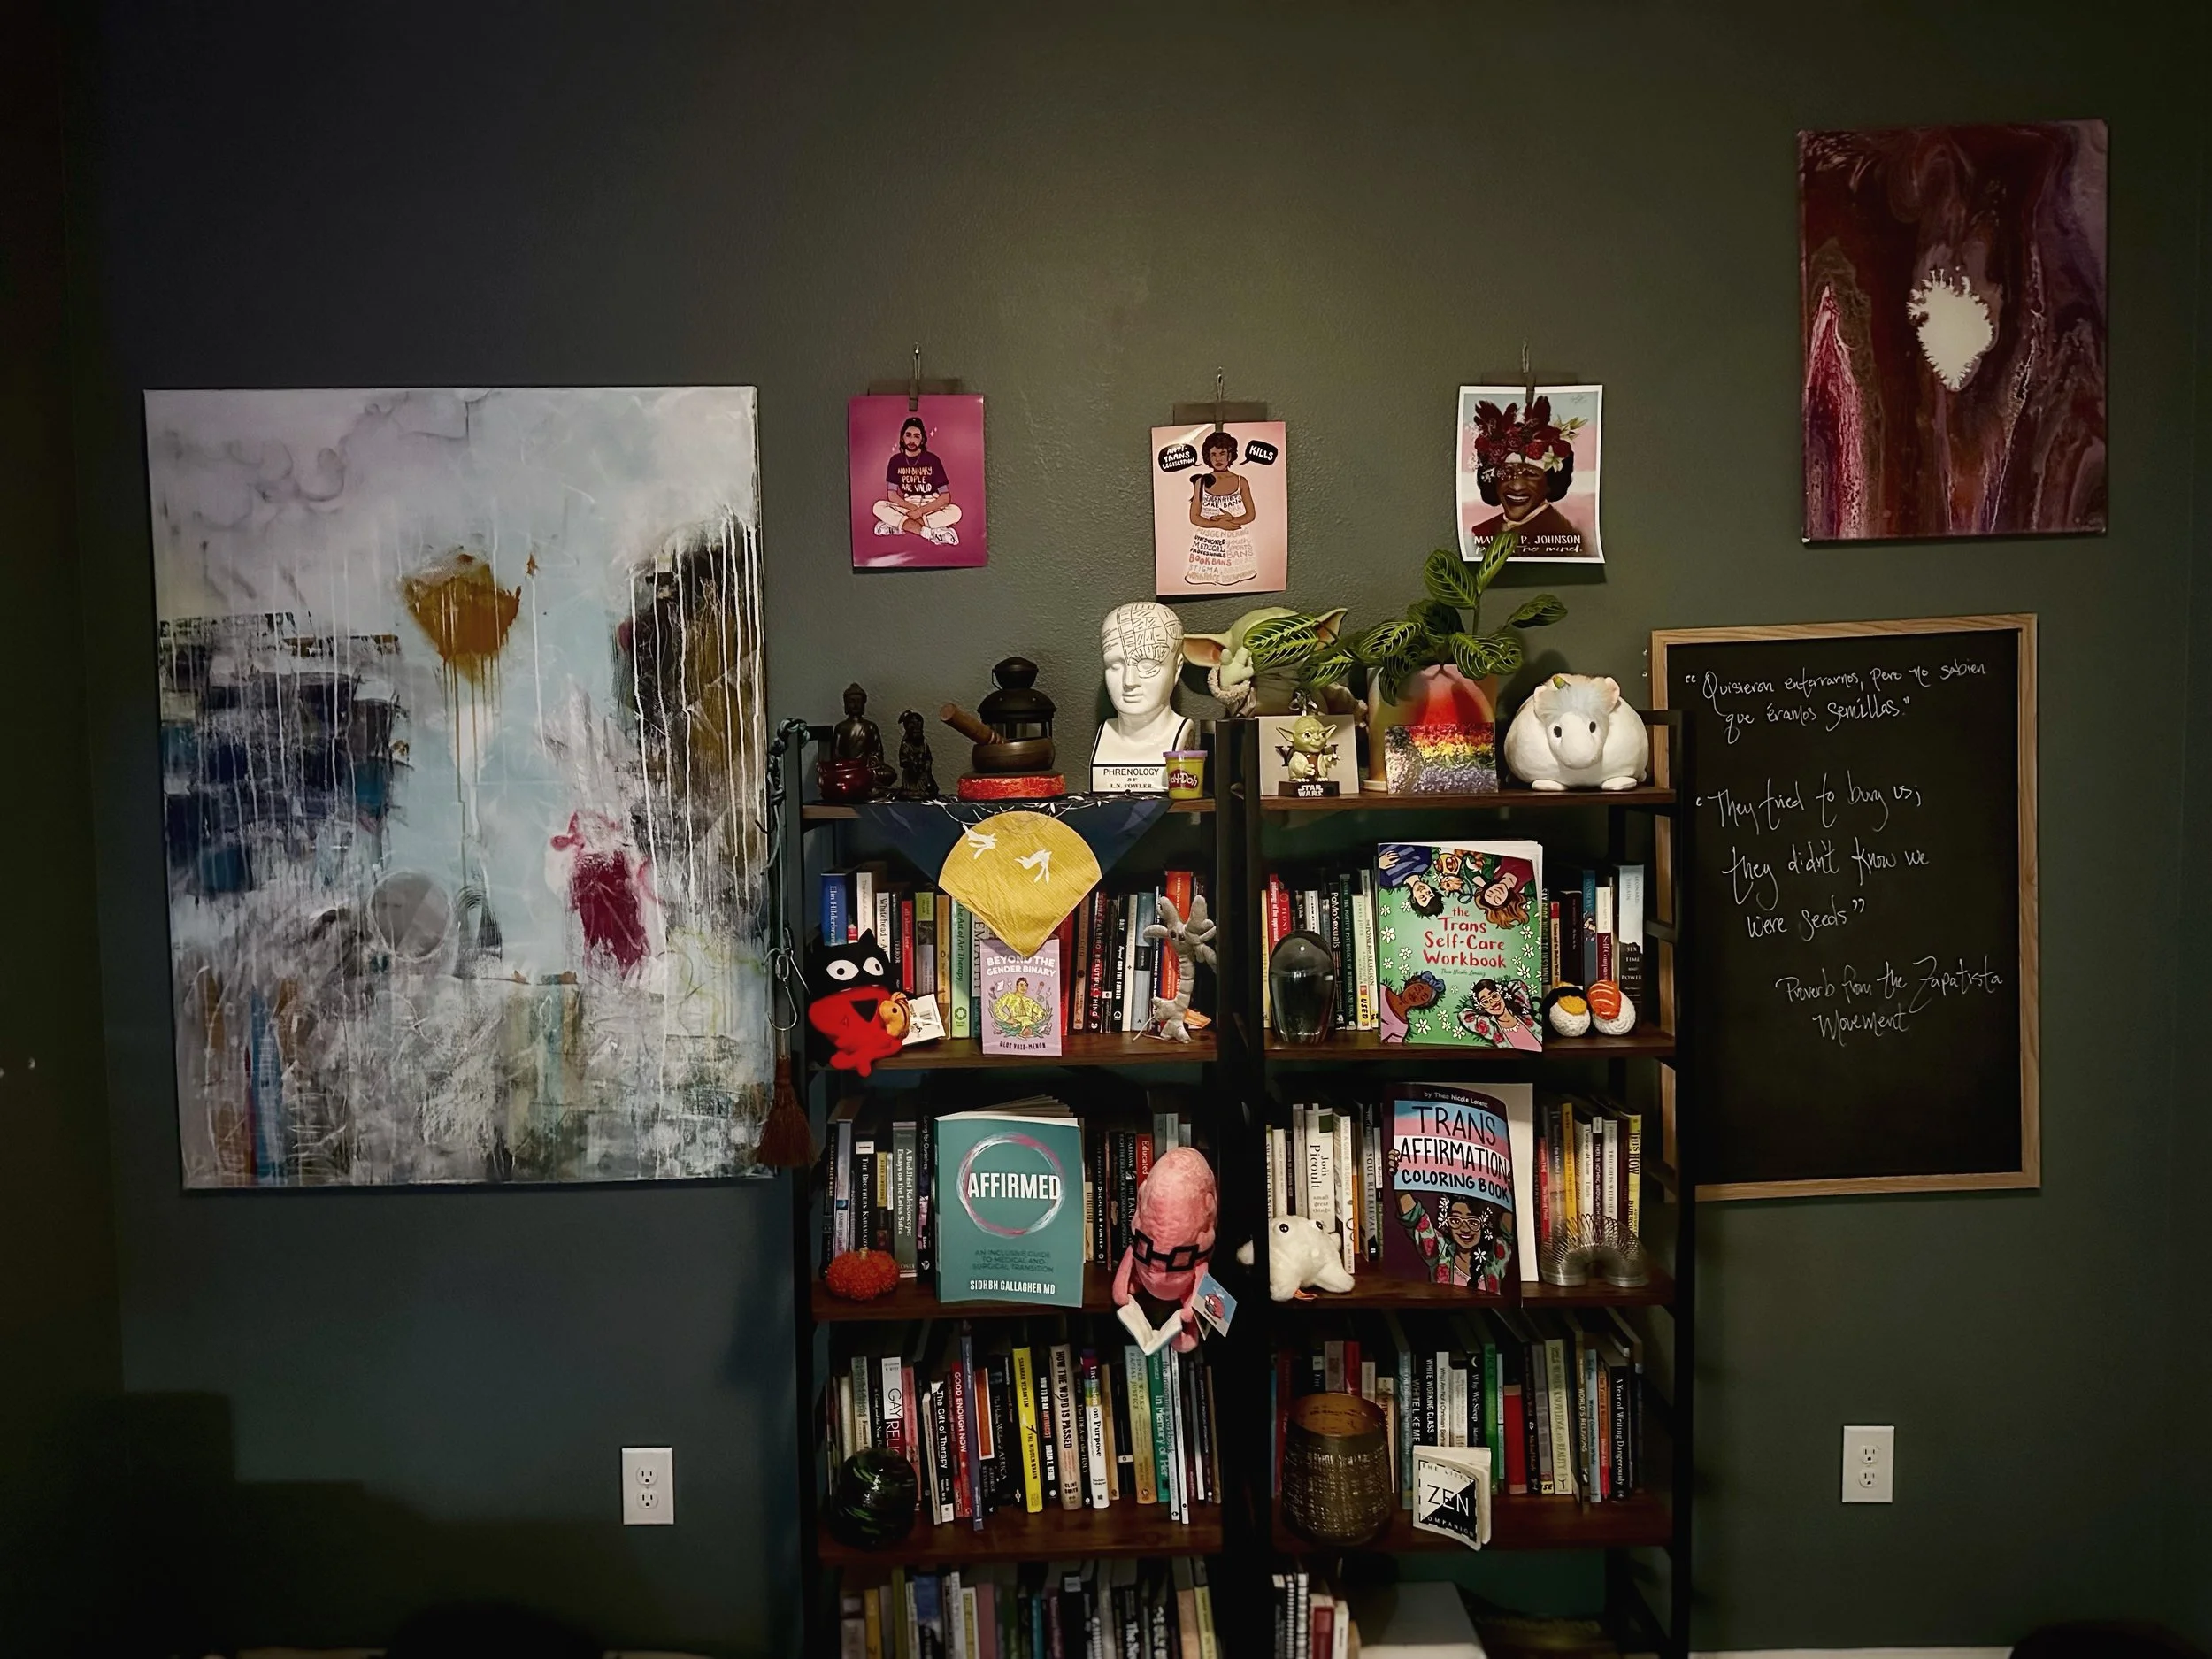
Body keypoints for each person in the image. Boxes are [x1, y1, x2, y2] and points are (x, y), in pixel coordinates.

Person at [1465, 396, 1586, 558]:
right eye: (1507, 473)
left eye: (1531, 474)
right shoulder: (1479, 533)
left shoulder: (1564, 536)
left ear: (1550, 482)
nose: (1517, 486)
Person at [1182, 430, 1257, 586]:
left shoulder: (1240, 481)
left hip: (1235, 543)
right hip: (1208, 546)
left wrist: (1231, 520)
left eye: (1222, 453)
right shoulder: (1201, 482)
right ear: (1208, 457)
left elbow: (1250, 515)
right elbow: (1194, 517)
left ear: (1230, 455)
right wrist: (1217, 524)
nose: (1218, 458)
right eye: (1213, 454)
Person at [873, 416, 963, 545]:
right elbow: (892, 495)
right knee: (878, 506)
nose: (912, 440)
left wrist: (920, 512)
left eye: (916, 436)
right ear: (902, 438)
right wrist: (912, 509)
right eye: (908, 435)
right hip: (908, 504)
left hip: (930, 504)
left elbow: (945, 497)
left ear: (922, 440)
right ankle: (931, 532)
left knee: (956, 512)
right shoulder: (895, 461)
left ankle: (898, 525)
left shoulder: (933, 460)